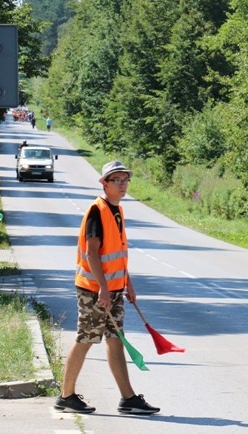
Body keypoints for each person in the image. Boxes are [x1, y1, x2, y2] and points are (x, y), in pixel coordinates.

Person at [55, 161, 160, 415]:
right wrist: (102, 288)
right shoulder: (96, 210)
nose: (122, 184)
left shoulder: (117, 210)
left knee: (115, 340)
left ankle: (128, 398)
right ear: (104, 183)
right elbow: (92, 254)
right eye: (116, 180)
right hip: (93, 289)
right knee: (86, 338)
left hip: (113, 289)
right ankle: (66, 395)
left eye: (125, 179)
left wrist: (128, 284)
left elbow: (118, 253)